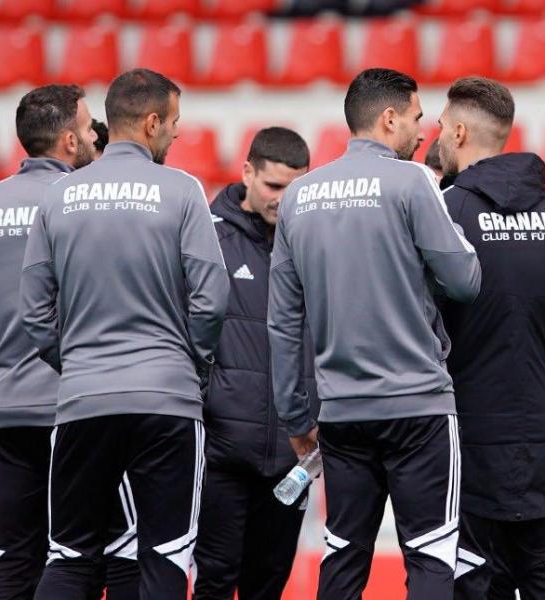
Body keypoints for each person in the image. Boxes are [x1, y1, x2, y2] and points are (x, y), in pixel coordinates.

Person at [268, 67, 481, 599]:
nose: (423, 130)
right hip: (418, 407)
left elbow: (283, 320)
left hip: (341, 413)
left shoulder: (298, 196)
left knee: (342, 556)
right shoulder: (413, 182)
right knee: (432, 555)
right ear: (389, 118)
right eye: (415, 118)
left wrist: (296, 416)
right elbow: (465, 281)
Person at [21, 68, 229, 599]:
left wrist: (79, 366)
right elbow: (211, 298)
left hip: (84, 400)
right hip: (167, 401)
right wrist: (193, 366)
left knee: (70, 554)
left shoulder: (58, 196)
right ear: (152, 122)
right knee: (165, 555)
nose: (177, 134)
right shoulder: (182, 190)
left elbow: (34, 313)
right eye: (175, 122)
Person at [435, 77, 545, 600]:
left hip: (464, 432)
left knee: (472, 576)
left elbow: (422, 323)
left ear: (459, 131)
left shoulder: (446, 214)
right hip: (537, 432)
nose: (436, 138)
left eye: (439, 127)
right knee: (541, 570)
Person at [0, 84, 116, 600]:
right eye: (90, 128)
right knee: (81, 556)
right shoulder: (85, 202)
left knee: (14, 556)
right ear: (69, 140)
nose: (94, 137)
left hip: (9, 411)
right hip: (77, 408)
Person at [193, 127, 318, 600]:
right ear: (247, 172)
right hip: (224, 452)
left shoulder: (313, 243)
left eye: (296, 188)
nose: (284, 200)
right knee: (216, 580)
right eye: (274, 186)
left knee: (268, 586)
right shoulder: (207, 237)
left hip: (294, 457)